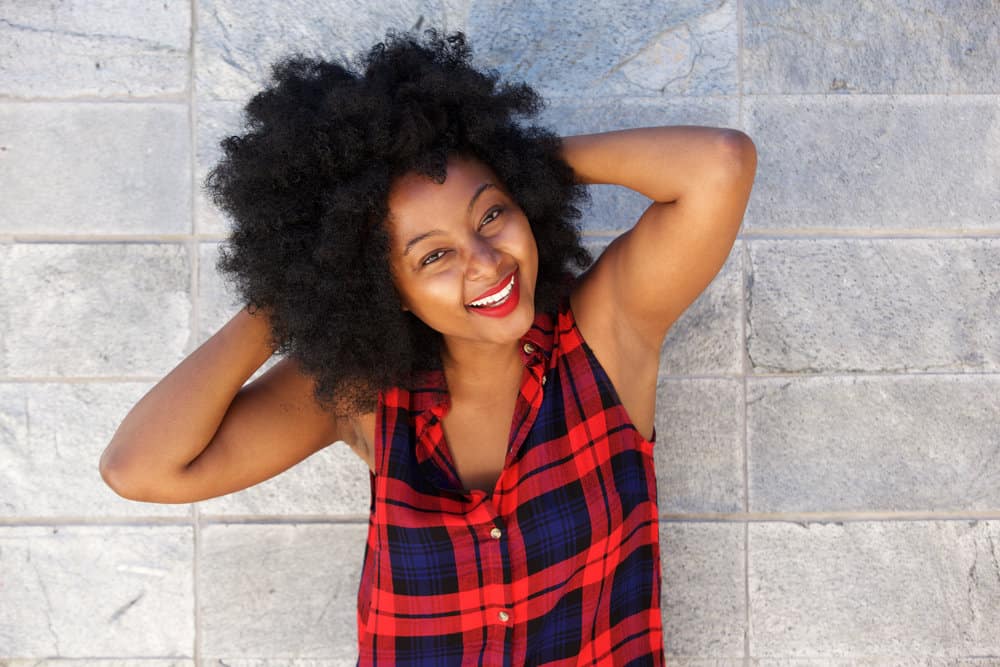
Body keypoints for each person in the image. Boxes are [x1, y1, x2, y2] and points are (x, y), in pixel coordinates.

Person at [99, 29, 756, 666]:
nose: (485, 261)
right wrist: (298, 278)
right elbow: (141, 468)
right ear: (383, 285)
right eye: (434, 254)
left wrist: (512, 157)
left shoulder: (605, 340)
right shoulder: (363, 395)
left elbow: (719, 164)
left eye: (493, 212)